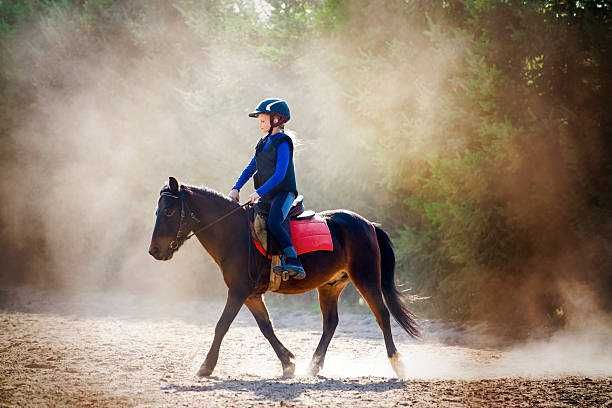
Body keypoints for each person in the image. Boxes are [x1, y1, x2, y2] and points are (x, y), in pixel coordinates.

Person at [228, 98, 306, 279]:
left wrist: (259, 192)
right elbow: (250, 168)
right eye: (260, 121)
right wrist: (236, 188)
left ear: (276, 120)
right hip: (268, 195)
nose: (260, 125)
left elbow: (280, 175)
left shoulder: (283, 143)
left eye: (262, 121)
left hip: (283, 193)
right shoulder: (263, 144)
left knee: (274, 222)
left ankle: (294, 261)